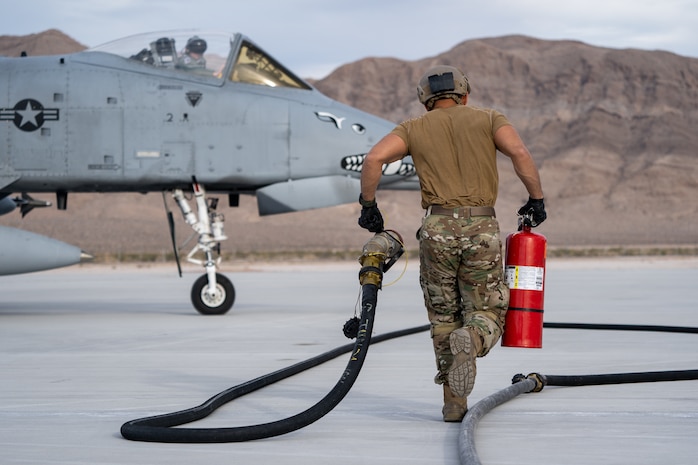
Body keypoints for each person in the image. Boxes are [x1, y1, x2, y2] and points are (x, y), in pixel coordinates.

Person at [358, 65, 546, 422]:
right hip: (481, 226)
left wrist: (369, 206)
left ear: (425, 100)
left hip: (436, 228)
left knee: (443, 317)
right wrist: (536, 199)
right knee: (488, 310)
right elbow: (519, 153)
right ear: (465, 94)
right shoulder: (489, 119)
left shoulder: (413, 128)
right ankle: (473, 340)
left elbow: (373, 159)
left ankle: (453, 405)